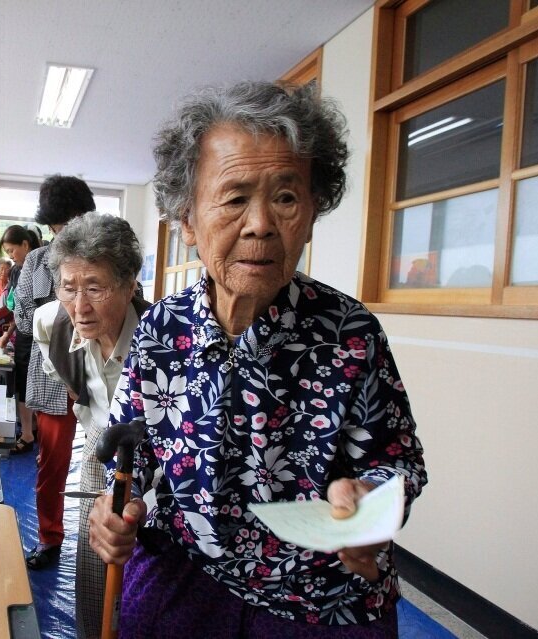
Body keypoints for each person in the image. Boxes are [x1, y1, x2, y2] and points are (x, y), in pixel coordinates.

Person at [87, 82, 428, 638]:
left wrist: (371, 507)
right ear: (188, 221)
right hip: (187, 574)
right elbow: (132, 446)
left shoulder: (350, 333)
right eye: (235, 197)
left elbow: (398, 461)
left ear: (312, 213)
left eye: (287, 198)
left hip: (321, 594)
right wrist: (114, 503)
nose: (262, 223)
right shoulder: (159, 329)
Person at [33, 212, 147, 638]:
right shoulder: (50, 323)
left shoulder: (159, 340)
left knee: (143, 562)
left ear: (130, 284)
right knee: (93, 559)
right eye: (68, 287)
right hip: (100, 438)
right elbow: (76, 391)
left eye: (95, 288)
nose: (79, 307)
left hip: (159, 450)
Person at [14, 174, 95, 569]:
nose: (69, 230)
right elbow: (25, 319)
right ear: (51, 224)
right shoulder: (34, 261)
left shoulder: (105, 255)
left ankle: (105, 543)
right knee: (52, 464)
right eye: (63, 223)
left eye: (78, 219)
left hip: (102, 373)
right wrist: (72, 313)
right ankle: (50, 536)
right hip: (52, 376)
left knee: (109, 462)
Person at [0, 225, 41, 454]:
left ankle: (33, 429)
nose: (10, 255)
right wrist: (7, 333)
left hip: (40, 335)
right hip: (23, 334)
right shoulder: (16, 271)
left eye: (12, 250)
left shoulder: (41, 268)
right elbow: (15, 309)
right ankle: (27, 432)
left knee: (39, 383)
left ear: (25, 244)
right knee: (22, 382)